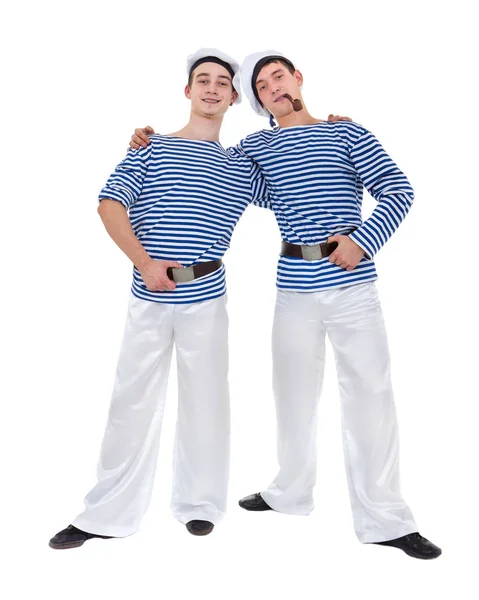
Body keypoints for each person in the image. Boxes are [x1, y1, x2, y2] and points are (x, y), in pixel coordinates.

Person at [130, 50, 441, 560]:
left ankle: (387, 519)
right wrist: (151, 141)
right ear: (255, 101)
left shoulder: (348, 134)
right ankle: (289, 493)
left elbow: (398, 190)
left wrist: (362, 239)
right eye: (262, 85)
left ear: (298, 78)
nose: (274, 86)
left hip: (352, 285)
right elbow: (222, 177)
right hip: (293, 288)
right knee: (292, 396)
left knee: (370, 398)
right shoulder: (255, 148)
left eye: (279, 76)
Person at [49, 48, 270, 550]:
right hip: (150, 293)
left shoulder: (241, 165)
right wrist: (145, 264)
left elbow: (294, 173)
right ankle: (104, 514)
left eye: (222, 83)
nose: (212, 88)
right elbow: (109, 206)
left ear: (235, 98)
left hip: (207, 297)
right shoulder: (150, 147)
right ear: (188, 91)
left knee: (207, 402)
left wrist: (328, 122)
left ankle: (200, 504)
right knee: (131, 402)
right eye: (202, 80)